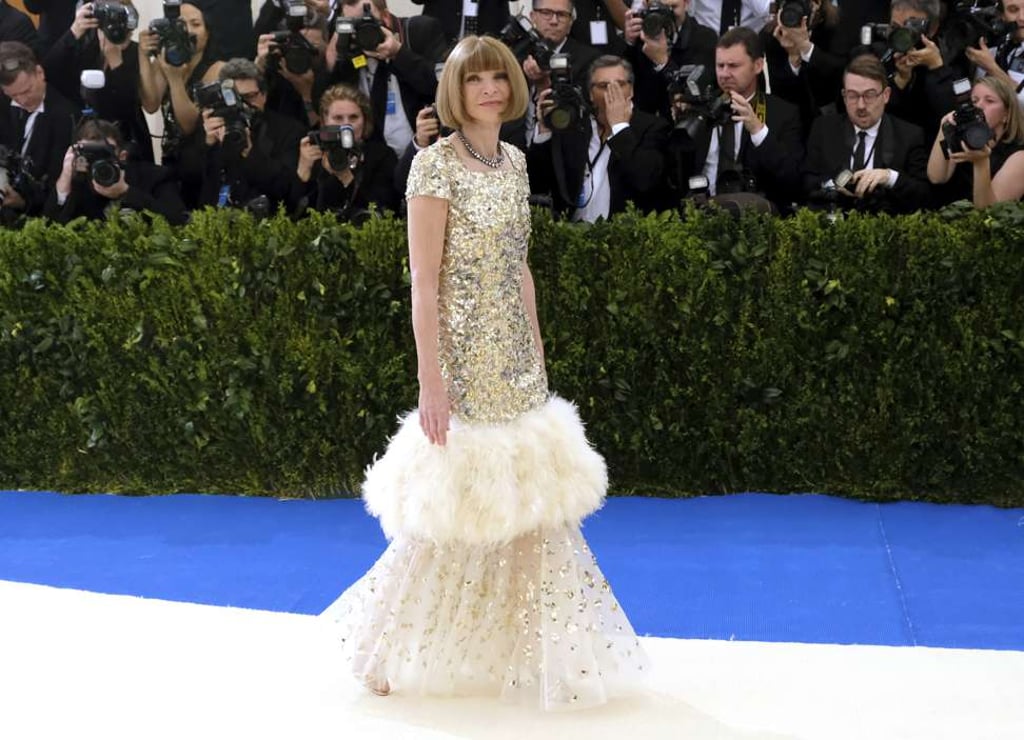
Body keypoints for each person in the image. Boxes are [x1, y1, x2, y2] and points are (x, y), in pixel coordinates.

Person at [323, 35, 648, 708]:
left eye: (499, 77)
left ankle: (542, 651)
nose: (492, 89)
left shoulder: (515, 161)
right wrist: (431, 383)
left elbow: (519, 267)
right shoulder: (432, 166)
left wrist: (537, 348)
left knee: (536, 507)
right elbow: (423, 284)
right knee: (448, 514)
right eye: (476, 81)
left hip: (517, 363)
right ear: (455, 90)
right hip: (462, 363)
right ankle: (377, 648)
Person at [528, 54, 669, 219]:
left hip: (625, 236)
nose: (611, 91)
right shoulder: (575, 127)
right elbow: (538, 183)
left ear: (631, 90)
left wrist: (619, 128)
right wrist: (545, 130)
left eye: (620, 84)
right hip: (571, 235)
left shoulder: (653, 127)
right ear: (590, 94)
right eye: (603, 86)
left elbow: (645, 180)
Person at [802, 54, 930, 214]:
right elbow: (806, 182)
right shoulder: (823, 128)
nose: (861, 105)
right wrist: (834, 185)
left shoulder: (909, 135)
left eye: (869, 95)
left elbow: (924, 194)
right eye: (853, 96)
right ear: (844, 96)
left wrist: (889, 177)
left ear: (886, 95)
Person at [42, 1, 154, 162]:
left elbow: (129, 106)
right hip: (85, 135)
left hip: (125, 141)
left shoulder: (136, 53)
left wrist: (117, 63)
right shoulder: (86, 48)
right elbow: (48, 75)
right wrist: (74, 31)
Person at [197, 58, 305, 213]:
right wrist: (208, 145)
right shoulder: (213, 125)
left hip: (270, 221)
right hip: (218, 221)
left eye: (250, 97)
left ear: (264, 95)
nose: (244, 105)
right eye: (236, 98)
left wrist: (251, 154)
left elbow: (287, 188)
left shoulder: (290, 130)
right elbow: (188, 180)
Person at [44, 117, 187, 223]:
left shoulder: (154, 176)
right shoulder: (78, 183)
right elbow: (48, 228)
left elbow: (179, 220)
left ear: (122, 156)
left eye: (104, 154)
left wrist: (127, 192)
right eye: (90, 154)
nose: (97, 161)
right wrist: (65, 179)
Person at [0, 40, 79, 222]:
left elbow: (60, 186)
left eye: (27, 91)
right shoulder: (4, 106)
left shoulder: (66, 118)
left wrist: (23, 202)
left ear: (39, 73)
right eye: (12, 95)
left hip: (42, 217)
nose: (22, 100)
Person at [294, 82, 398, 218]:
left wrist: (345, 176)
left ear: (365, 121)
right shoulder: (314, 154)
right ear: (324, 122)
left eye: (353, 117)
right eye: (338, 118)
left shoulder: (383, 155)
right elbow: (291, 212)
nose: (346, 124)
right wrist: (303, 171)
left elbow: (383, 210)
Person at [926, 75, 1024, 207]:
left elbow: (990, 212)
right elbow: (937, 177)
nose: (979, 106)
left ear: (1006, 115)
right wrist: (944, 128)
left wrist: (981, 163)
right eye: (974, 101)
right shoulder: (962, 135)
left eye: (989, 101)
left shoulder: (1019, 155)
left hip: (978, 224)